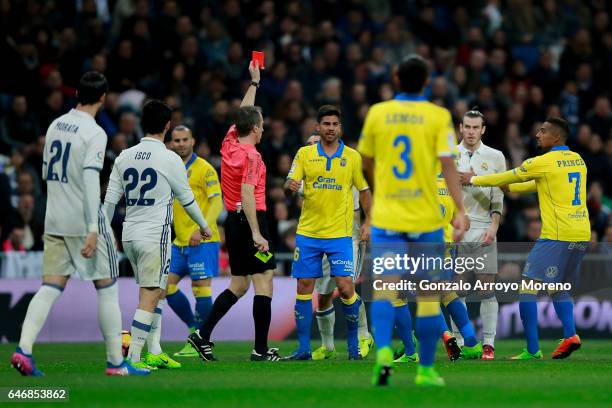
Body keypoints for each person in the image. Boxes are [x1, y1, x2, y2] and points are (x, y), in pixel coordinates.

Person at [11, 71, 148, 377]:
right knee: (107, 286)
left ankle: (24, 350)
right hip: (82, 217)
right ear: (103, 97)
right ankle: (115, 363)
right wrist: (92, 227)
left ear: (76, 95)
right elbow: (89, 180)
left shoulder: (56, 124)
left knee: (50, 285)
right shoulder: (94, 132)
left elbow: (47, 173)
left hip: (54, 216)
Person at [358, 56, 467, 387]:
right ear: (429, 80)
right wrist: (459, 209)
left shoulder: (378, 112)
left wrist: (384, 191)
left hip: (388, 215)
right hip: (426, 219)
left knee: (385, 290)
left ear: (394, 76)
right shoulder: (438, 116)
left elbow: (366, 161)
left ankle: (383, 358)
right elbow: (448, 166)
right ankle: (425, 370)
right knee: (430, 296)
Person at [460, 117, 590, 360]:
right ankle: (570, 335)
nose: (538, 135)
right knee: (557, 288)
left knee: (527, 288)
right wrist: (509, 188)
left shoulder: (544, 161)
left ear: (556, 137)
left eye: (543, 131)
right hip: (582, 232)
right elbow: (538, 185)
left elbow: (511, 175)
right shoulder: (578, 160)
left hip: (557, 235)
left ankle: (532, 350)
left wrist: (473, 179)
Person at [104, 100, 212, 370]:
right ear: (167, 126)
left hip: (129, 234)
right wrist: (204, 226)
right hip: (155, 235)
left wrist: (103, 231)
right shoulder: (169, 158)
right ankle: (134, 358)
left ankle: (154, 350)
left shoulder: (124, 156)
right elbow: (187, 199)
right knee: (151, 295)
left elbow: (109, 201)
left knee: (156, 291)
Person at [188, 61, 282, 362]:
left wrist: (254, 84)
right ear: (255, 129)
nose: (264, 127)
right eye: (262, 123)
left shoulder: (229, 143)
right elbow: (247, 193)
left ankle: (202, 335)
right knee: (264, 277)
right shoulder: (252, 156)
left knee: (240, 284)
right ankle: (260, 349)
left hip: (234, 219)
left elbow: (243, 113)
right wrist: (257, 232)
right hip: (250, 219)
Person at [284, 106, 372, 360]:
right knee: (306, 288)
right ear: (317, 127)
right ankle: (304, 348)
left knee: (346, 288)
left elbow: (364, 191)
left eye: (335, 124)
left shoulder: (353, 157)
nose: (330, 128)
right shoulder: (304, 154)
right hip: (309, 233)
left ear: (340, 127)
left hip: (341, 234)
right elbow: (290, 183)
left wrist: (369, 222)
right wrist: (290, 186)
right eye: (326, 124)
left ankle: (355, 345)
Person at [451, 107, 506, 360]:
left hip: (484, 226)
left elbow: (498, 194)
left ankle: (488, 343)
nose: (471, 132)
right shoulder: (449, 155)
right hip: (457, 229)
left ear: (483, 129)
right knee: (457, 289)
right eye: (467, 127)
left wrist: (494, 227)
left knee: (486, 289)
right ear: (461, 128)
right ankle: (460, 342)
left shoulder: (495, 157)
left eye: (476, 127)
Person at [166, 125, 223, 357]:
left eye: (184, 139)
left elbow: (216, 201)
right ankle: (194, 332)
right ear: (171, 143)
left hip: (203, 240)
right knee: (165, 287)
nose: (180, 144)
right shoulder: (170, 168)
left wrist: (203, 229)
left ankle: (202, 339)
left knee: (201, 289)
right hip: (179, 241)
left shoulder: (205, 169)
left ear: (193, 141)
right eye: (176, 140)